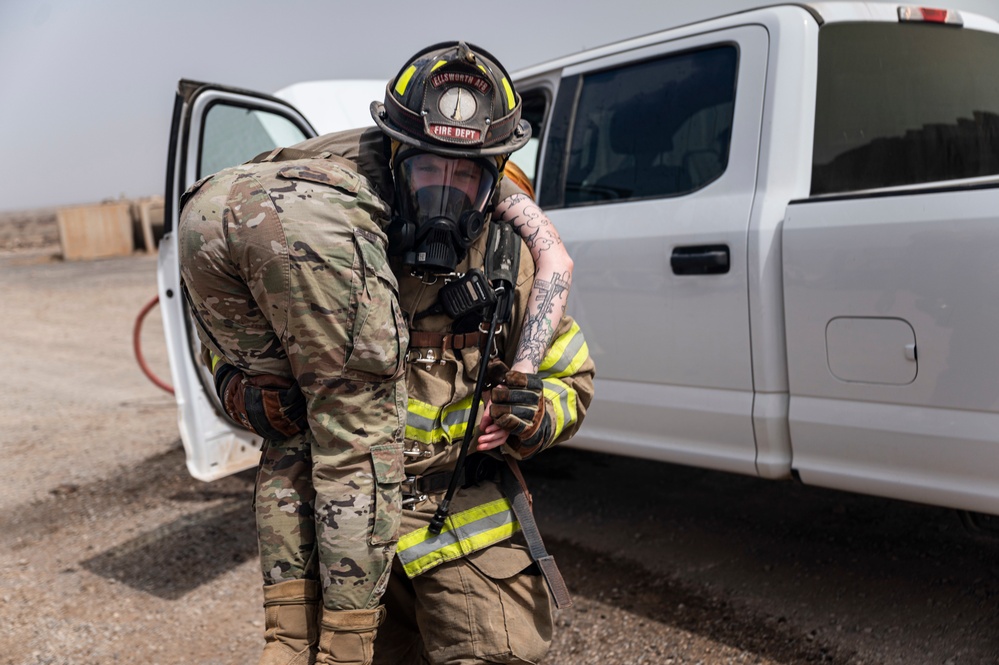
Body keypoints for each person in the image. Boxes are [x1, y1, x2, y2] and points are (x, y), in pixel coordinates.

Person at [199, 41, 595, 665]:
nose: (446, 191)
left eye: (466, 174)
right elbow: (230, 359)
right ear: (395, 159)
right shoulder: (325, 253)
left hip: (463, 528)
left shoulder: (509, 263)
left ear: (494, 176)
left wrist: (535, 410)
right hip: (342, 530)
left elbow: (574, 378)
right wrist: (251, 399)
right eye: (429, 168)